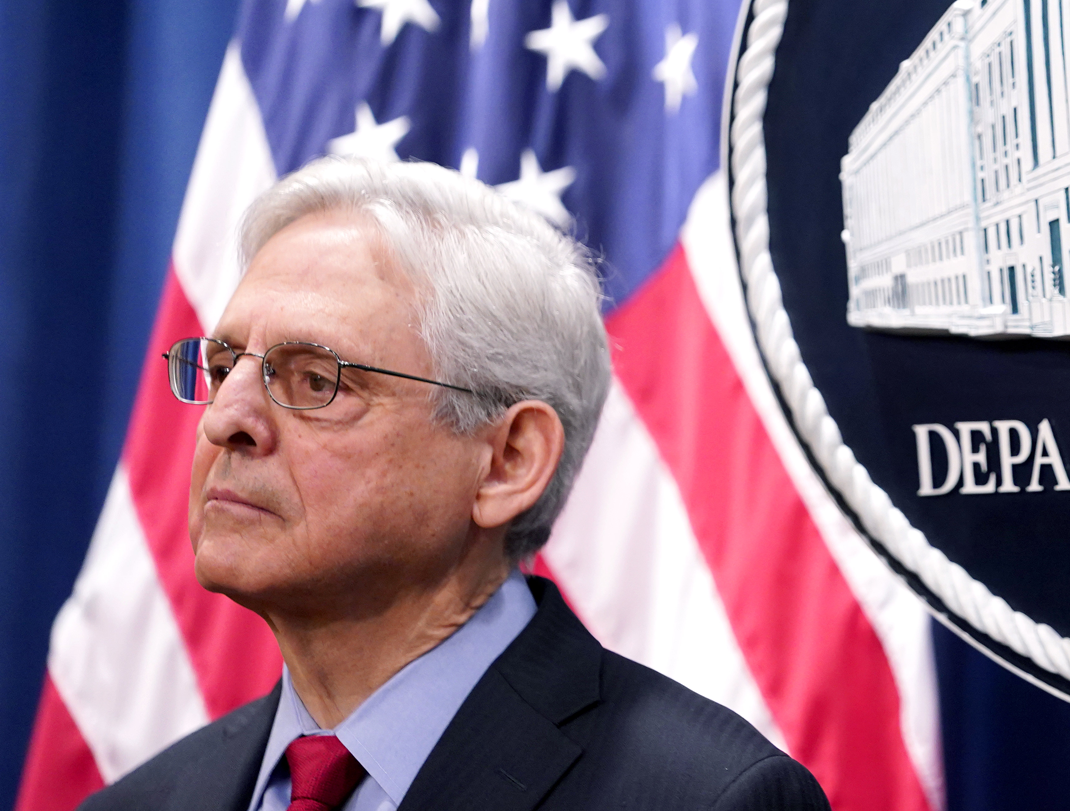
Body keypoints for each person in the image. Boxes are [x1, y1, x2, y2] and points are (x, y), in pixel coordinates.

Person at [82, 157, 829, 811]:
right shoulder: (139, 802)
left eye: (314, 379)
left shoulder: (709, 798)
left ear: (508, 461)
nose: (224, 421)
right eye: (221, 368)